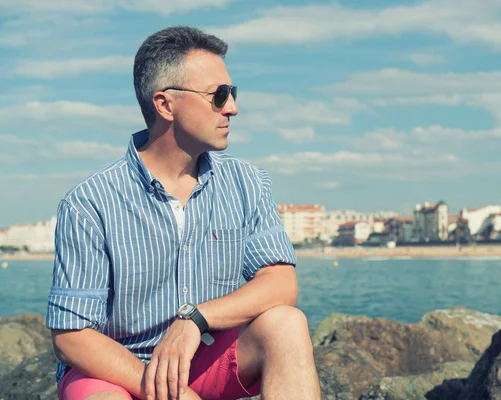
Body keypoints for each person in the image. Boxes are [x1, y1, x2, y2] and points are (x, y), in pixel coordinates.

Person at [46, 26, 321, 400]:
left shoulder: (247, 182)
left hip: (205, 356)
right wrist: (162, 389)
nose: (232, 107)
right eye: (218, 95)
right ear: (165, 104)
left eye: (232, 93)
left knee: (287, 323)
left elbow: (280, 284)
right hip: (119, 373)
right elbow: (71, 336)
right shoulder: (89, 202)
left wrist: (195, 318)